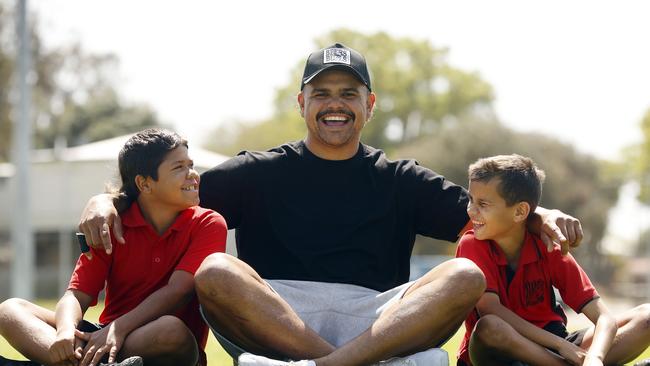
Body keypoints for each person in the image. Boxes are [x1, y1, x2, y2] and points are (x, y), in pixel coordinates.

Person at [78, 44, 583, 366]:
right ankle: (343, 364)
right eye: (321, 93)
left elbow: (488, 217)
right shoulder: (258, 170)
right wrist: (106, 198)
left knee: (465, 276)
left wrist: (538, 213)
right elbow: (166, 195)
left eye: (348, 93)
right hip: (277, 313)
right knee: (214, 269)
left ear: (370, 103)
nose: (334, 104)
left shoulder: (401, 179)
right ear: (302, 104)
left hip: (378, 317)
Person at [0, 129, 227, 366]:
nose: (193, 175)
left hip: (153, 342)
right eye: (178, 167)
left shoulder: (209, 223)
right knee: (10, 310)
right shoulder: (111, 223)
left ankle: (73, 362)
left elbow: (177, 291)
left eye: (190, 165)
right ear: (145, 184)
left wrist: (118, 329)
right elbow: (77, 294)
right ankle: (90, 361)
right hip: (101, 336)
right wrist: (65, 331)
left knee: (171, 331)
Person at [455, 154, 650, 366]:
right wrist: (561, 346)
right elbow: (491, 311)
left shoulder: (549, 247)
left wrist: (595, 357)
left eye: (483, 204)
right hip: (504, 350)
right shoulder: (471, 244)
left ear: (520, 211)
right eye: (471, 200)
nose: (471, 210)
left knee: (646, 316)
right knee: (489, 326)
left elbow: (605, 319)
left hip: (555, 348)